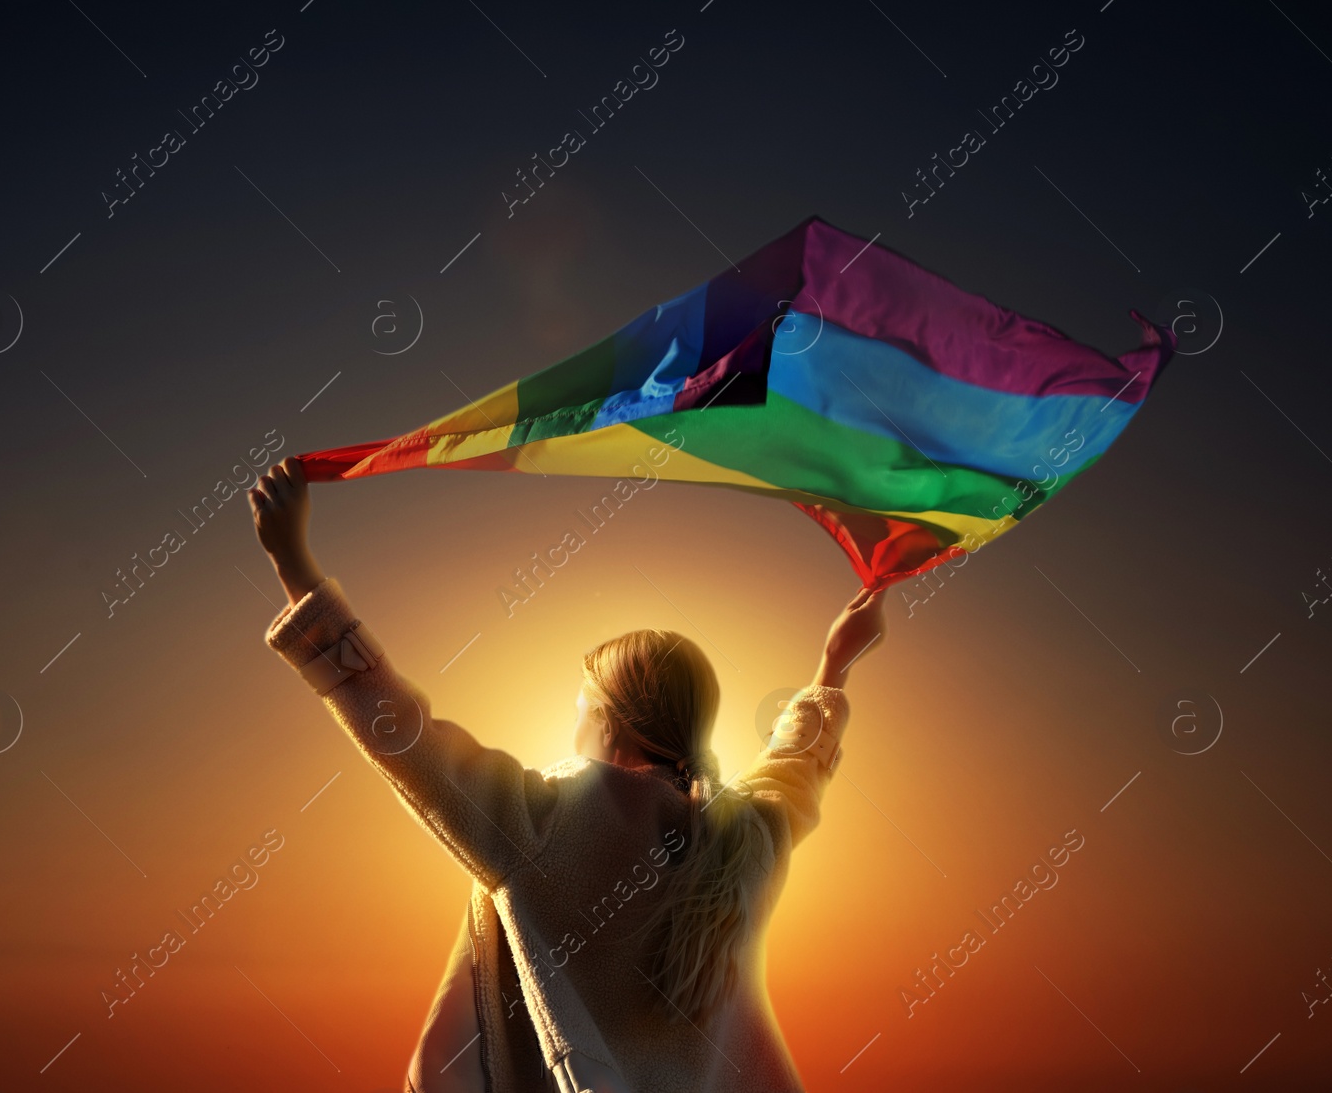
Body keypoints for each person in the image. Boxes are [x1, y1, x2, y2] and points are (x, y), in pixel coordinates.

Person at [250, 456, 886, 1092]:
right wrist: (835, 664)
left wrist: (293, 565)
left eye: (580, 710)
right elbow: (794, 768)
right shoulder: (747, 839)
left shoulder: (546, 825)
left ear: (610, 723)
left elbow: (402, 733)